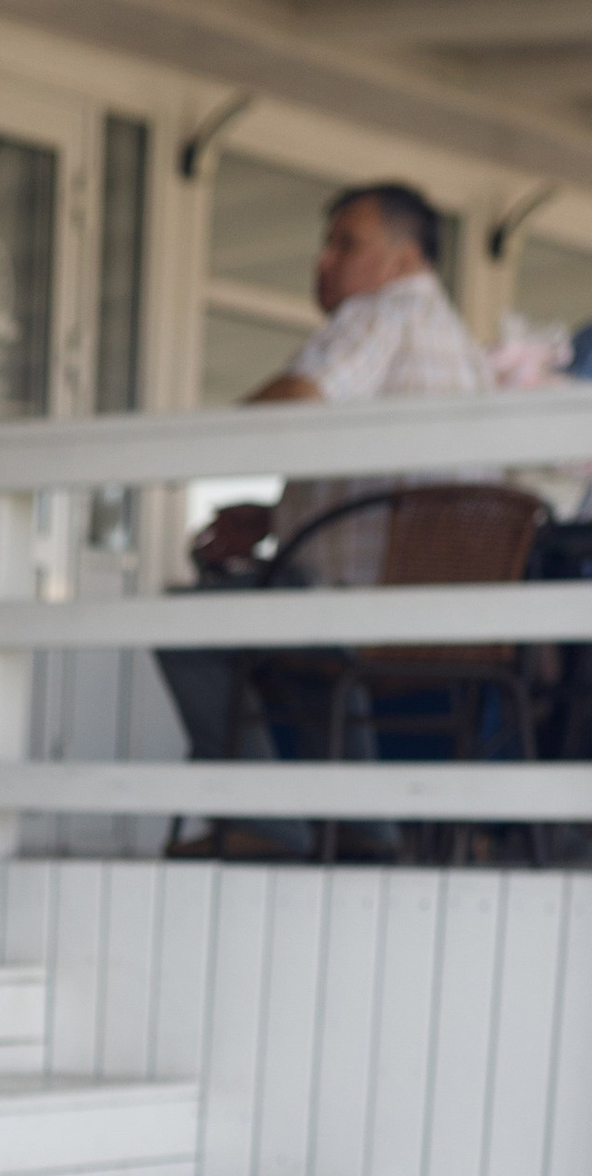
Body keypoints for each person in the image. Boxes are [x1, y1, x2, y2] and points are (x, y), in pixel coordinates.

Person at [160, 180, 489, 811]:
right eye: (326, 244)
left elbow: (304, 401)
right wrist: (275, 517)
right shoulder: (467, 351)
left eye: (346, 244)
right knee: (277, 613)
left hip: (355, 609)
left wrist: (195, 436)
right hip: (447, 619)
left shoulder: (380, 313)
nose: (324, 261)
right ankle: (358, 825)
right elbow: (394, 487)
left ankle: (265, 822)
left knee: (185, 624)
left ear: (402, 260)